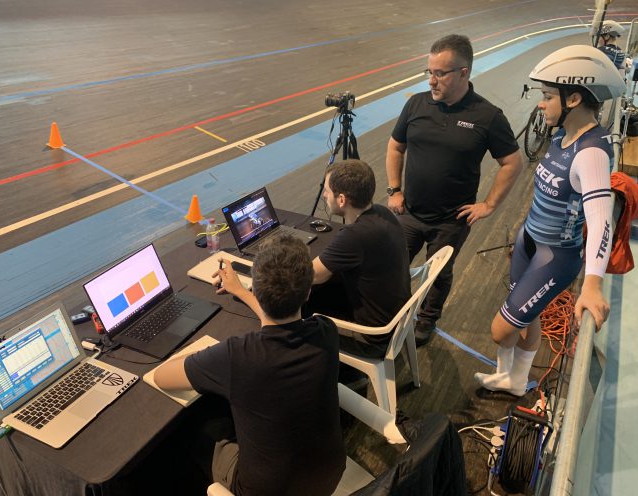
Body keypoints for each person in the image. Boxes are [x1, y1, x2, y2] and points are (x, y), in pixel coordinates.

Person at [474, 45, 626, 396]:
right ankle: (510, 379)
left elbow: (601, 222)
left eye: (546, 96)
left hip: (554, 257)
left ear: (573, 98)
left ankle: (513, 376)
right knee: (529, 316)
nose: (540, 104)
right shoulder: (561, 134)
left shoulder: (590, 153)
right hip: (529, 241)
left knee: (502, 329)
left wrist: (592, 284)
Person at [154, 235, 346, 495]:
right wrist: (242, 293)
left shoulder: (237, 356)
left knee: (195, 429)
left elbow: (162, 376)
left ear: (257, 287)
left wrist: (205, 354)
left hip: (263, 490)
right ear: (308, 291)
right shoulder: (326, 331)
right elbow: (281, 321)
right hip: (328, 476)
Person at [386, 34, 523, 345]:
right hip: (409, 213)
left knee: (438, 275)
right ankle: (391, 312)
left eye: (440, 74)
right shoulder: (416, 104)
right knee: (392, 266)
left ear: (464, 73)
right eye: (429, 72)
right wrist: (395, 190)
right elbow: (396, 147)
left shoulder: (488, 117)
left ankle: (427, 319)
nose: (432, 81)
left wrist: (488, 205)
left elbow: (513, 164)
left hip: (451, 220)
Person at [307, 158, 411, 359]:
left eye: (327, 191)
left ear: (342, 200)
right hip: (395, 319)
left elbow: (312, 275)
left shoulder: (355, 236)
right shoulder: (381, 212)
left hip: (372, 338)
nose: (325, 194)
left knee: (302, 319)